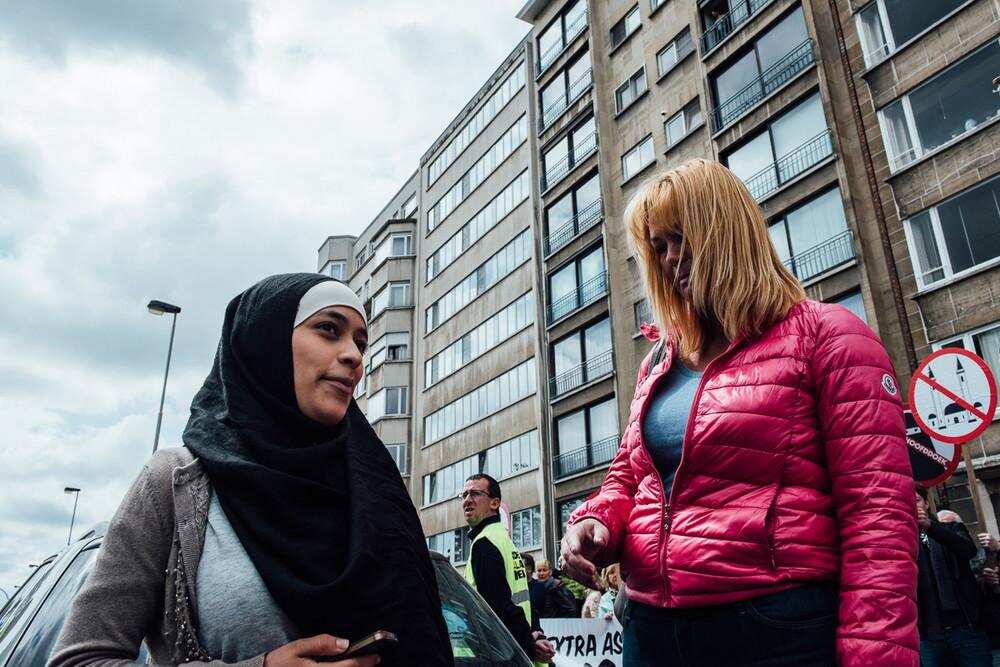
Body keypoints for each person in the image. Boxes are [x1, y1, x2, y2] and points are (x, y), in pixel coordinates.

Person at [559, 159, 918, 666]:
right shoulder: (658, 362)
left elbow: (878, 517)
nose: (671, 258)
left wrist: (876, 656)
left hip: (775, 628)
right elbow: (630, 478)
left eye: (682, 236)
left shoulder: (829, 336)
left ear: (728, 231)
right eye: (659, 246)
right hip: (650, 627)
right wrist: (596, 521)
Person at [51, 274, 454, 666]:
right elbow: (80, 658)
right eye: (329, 329)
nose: (354, 356)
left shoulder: (378, 493)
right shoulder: (176, 483)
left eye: (361, 343)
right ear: (266, 341)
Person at [462, 474, 555, 664]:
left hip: (502, 653)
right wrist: (535, 635)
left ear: (495, 503)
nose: (467, 500)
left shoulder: (485, 543)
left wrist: (529, 644)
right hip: (514, 651)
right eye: (464, 495)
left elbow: (498, 607)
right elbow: (522, 601)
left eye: (475, 493)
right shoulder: (502, 540)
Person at [916, 488, 992, 666]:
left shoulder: (950, 527)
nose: (912, 505)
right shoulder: (903, 541)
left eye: (917, 500)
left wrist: (930, 526)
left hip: (965, 628)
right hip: (929, 635)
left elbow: (968, 550)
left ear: (926, 504)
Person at [520, 552, 546, 633]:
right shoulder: (515, 586)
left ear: (529, 569)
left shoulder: (538, 587)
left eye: (521, 566)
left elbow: (532, 605)